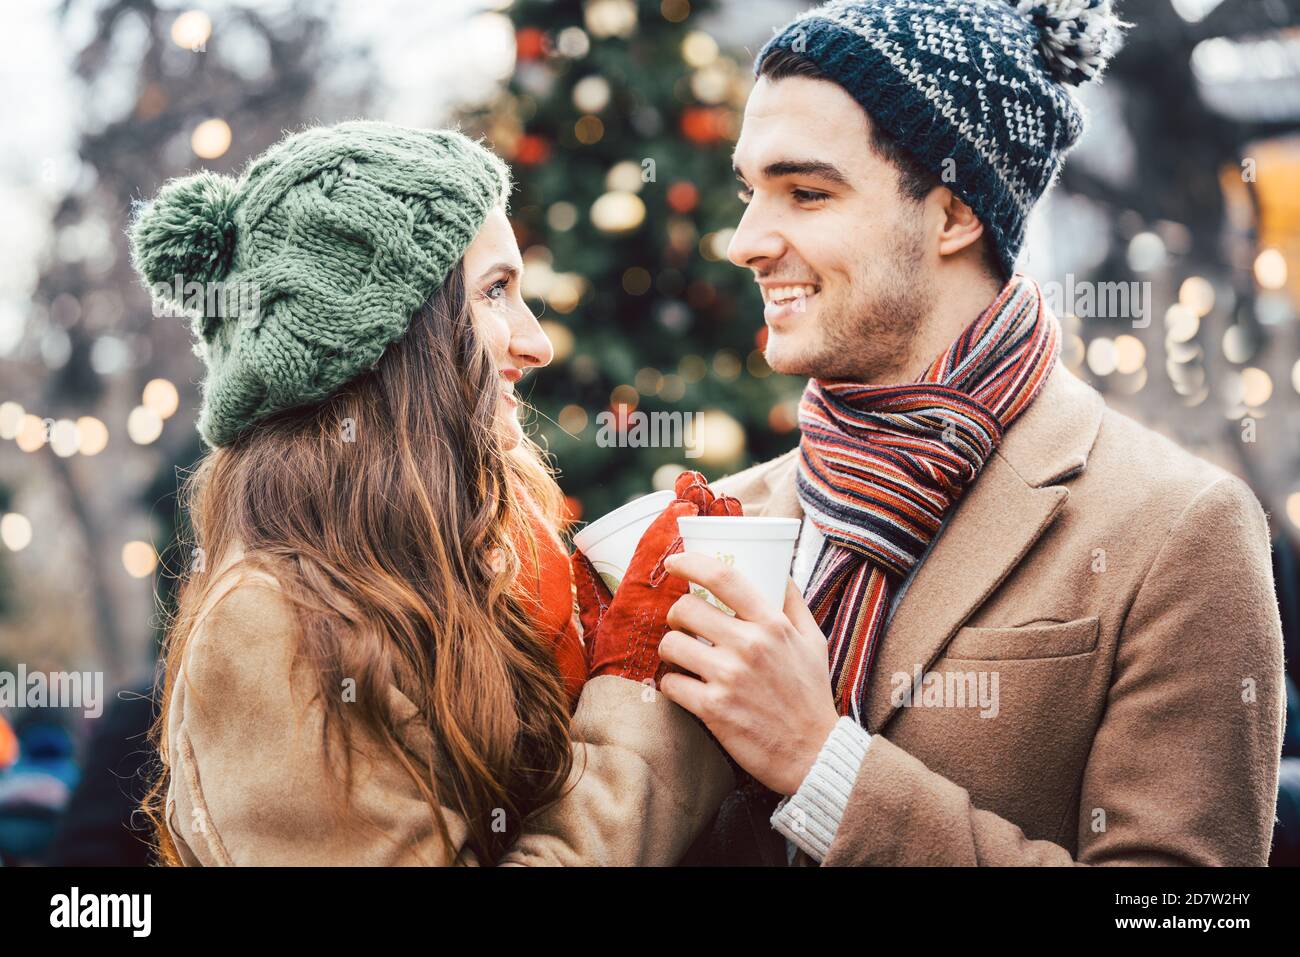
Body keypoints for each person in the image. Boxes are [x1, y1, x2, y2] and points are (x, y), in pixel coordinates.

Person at [657, 0, 1286, 866]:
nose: (746, 241)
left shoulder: (1179, 529)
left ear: (954, 215)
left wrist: (824, 766)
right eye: (748, 191)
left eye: (805, 192)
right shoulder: (726, 511)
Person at [128, 121, 733, 866]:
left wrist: (622, 643)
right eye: (496, 292)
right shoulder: (273, 624)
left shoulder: (501, 567)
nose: (537, 342)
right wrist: (639, 704)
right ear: (385, 343)